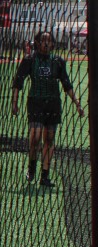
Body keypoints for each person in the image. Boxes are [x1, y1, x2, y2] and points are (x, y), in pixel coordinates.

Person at [12, 30, 85, 187]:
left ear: (52, 44)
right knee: (35, 137)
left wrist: (77, 103)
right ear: (37, 43)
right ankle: (32, 168)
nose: (46, 43)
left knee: (50, 139)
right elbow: (18, 81)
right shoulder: (29, 60)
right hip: (35, 102)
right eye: (43, 40)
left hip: (53, 104)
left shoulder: (58, 61)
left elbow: (66, 84)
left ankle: (45, 176)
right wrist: (14, 102)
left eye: (49, 40)